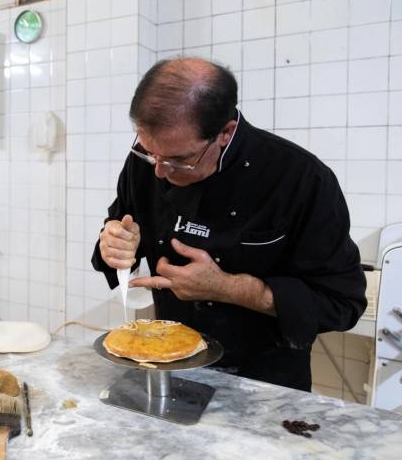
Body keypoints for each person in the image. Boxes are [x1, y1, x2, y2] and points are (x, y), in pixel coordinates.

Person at [91, 58, 367, 391]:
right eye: (151, 154)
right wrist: (114, 245)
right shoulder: (149, 161)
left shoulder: (301, 179)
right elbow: (120, 229)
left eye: (180, 160)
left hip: (264, 383)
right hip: (168, 368)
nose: (160, 172)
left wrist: (228, 288)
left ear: (225, 132)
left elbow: (342, 304)